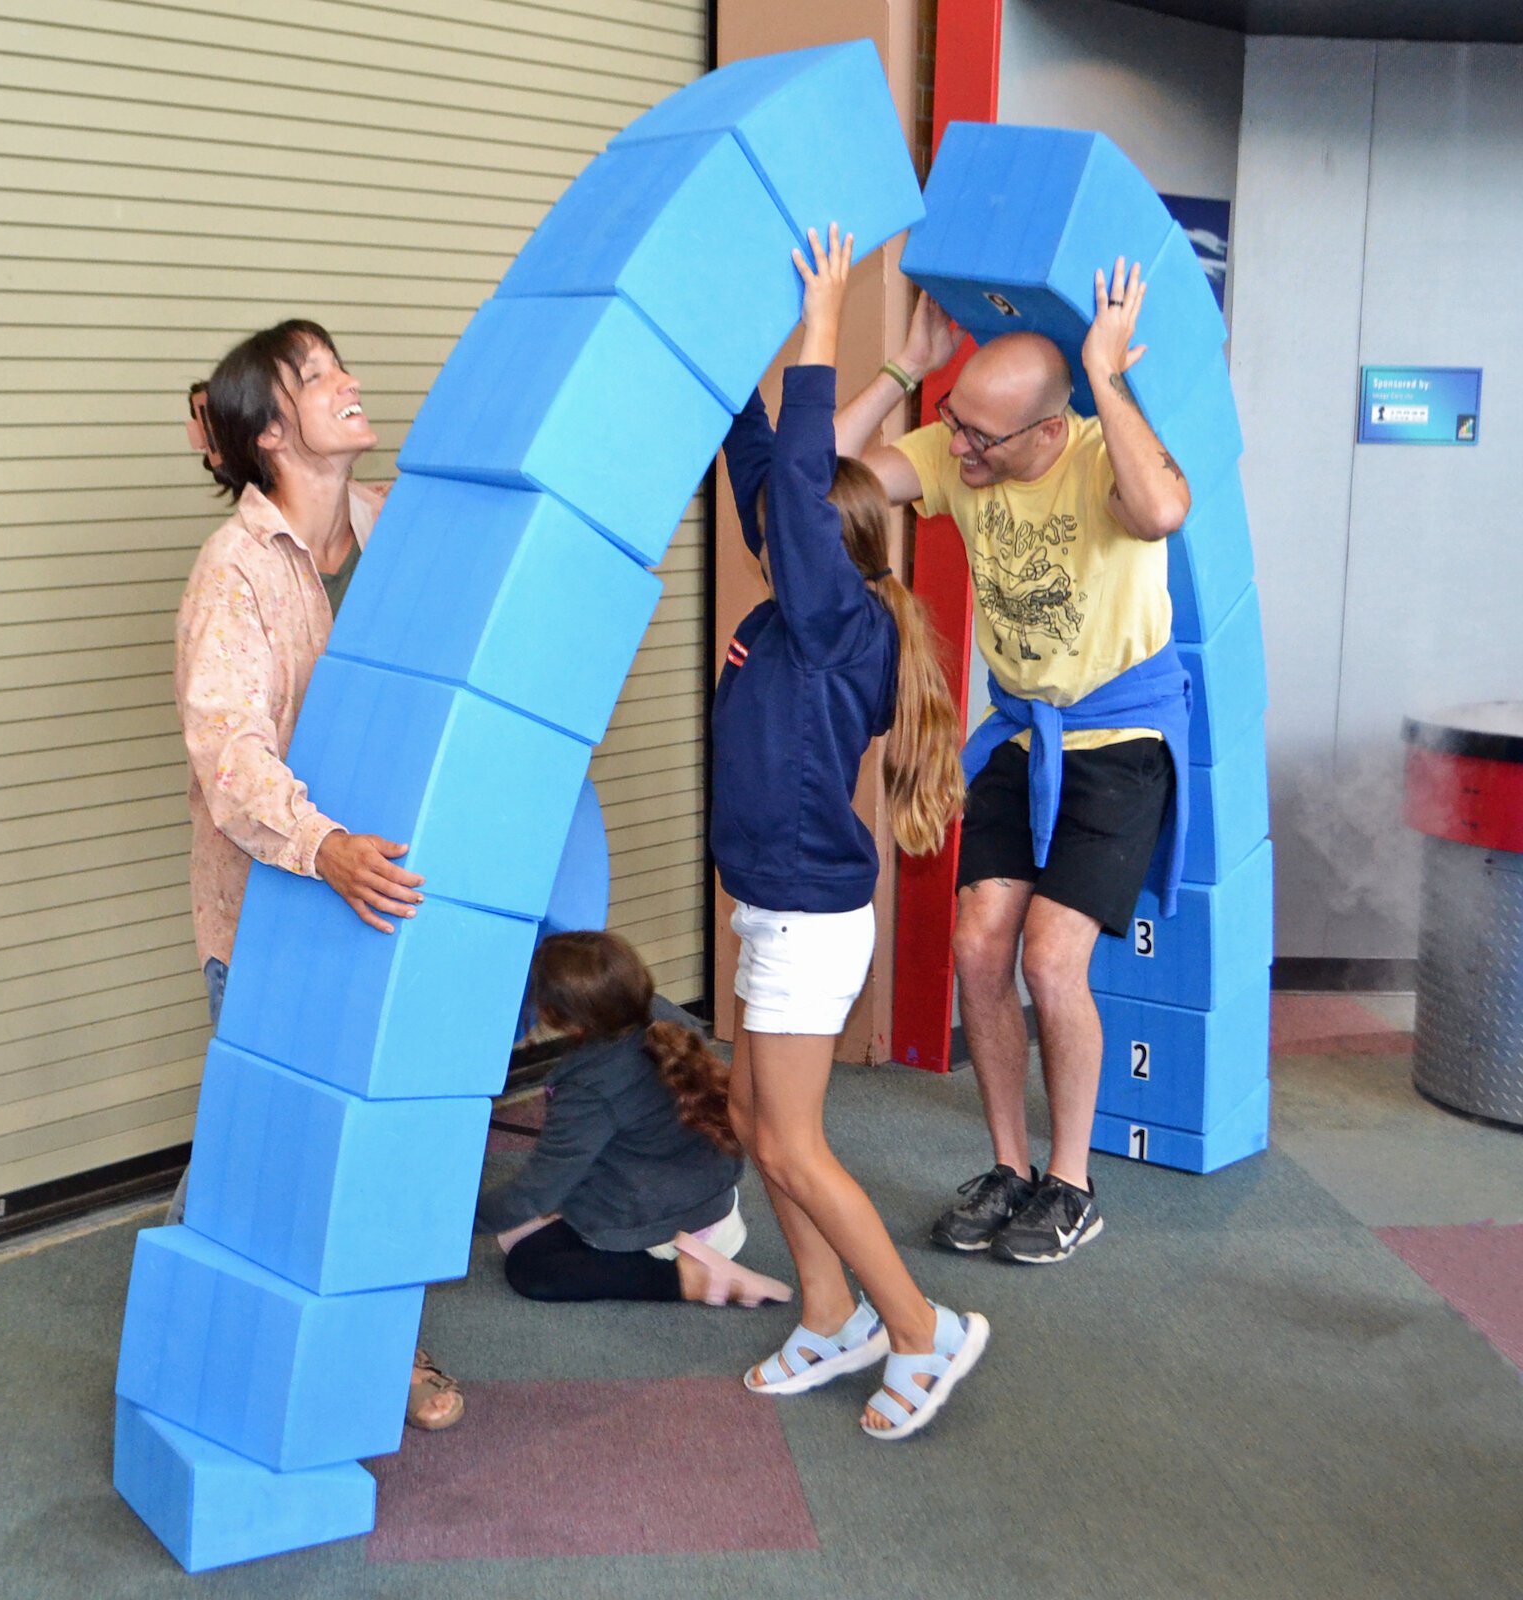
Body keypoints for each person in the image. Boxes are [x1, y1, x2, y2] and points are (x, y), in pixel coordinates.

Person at [836, 260, 1193, 1266]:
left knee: (1049, 956)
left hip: (1119, 744)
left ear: (1048, 428)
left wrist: (1105, 376)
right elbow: (822, 480)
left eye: (980, 436)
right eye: (951, 421)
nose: (956, 449)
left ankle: (1071, 1180)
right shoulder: (961, 452)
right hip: (1024, 733)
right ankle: (1008, 1165)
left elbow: (1162, 512)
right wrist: (901, 370)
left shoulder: (1096, 456)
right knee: (980, 946)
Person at [717, 224, 988, 1442]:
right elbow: (761, 459)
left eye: (792, 525)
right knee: (751, 1126)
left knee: (798, 1144)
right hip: (772, 904)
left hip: (807, 919)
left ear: (828, 547)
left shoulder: (837, 626)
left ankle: (925, 1330)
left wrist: (823, 329)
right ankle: (831, 1315)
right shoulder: (792, 622)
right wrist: (721, 356)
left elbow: (791, 481)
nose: (768, 527)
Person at [176, 319, 460, 1431]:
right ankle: (209, 1341)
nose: (348, 381)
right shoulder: (236, 569)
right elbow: (227, 753)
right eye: (315, 376)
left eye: (339, 362)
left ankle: (378, 1344)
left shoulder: (400, 526)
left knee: (371, 1135)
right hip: (276, 907)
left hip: (389, 888)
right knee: (269, 1149)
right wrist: (324, 845)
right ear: (269, 433)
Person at [477, 931, 791, 1308]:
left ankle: (684, 1280)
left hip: (662, 1228)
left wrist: (455, 1224)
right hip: (716, 1207)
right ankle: (692, 1257)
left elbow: (536, 1193)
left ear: (559, 1016)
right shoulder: (664, 1017)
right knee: (514, 1231)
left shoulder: (590, 1088)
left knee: (529, 1266)